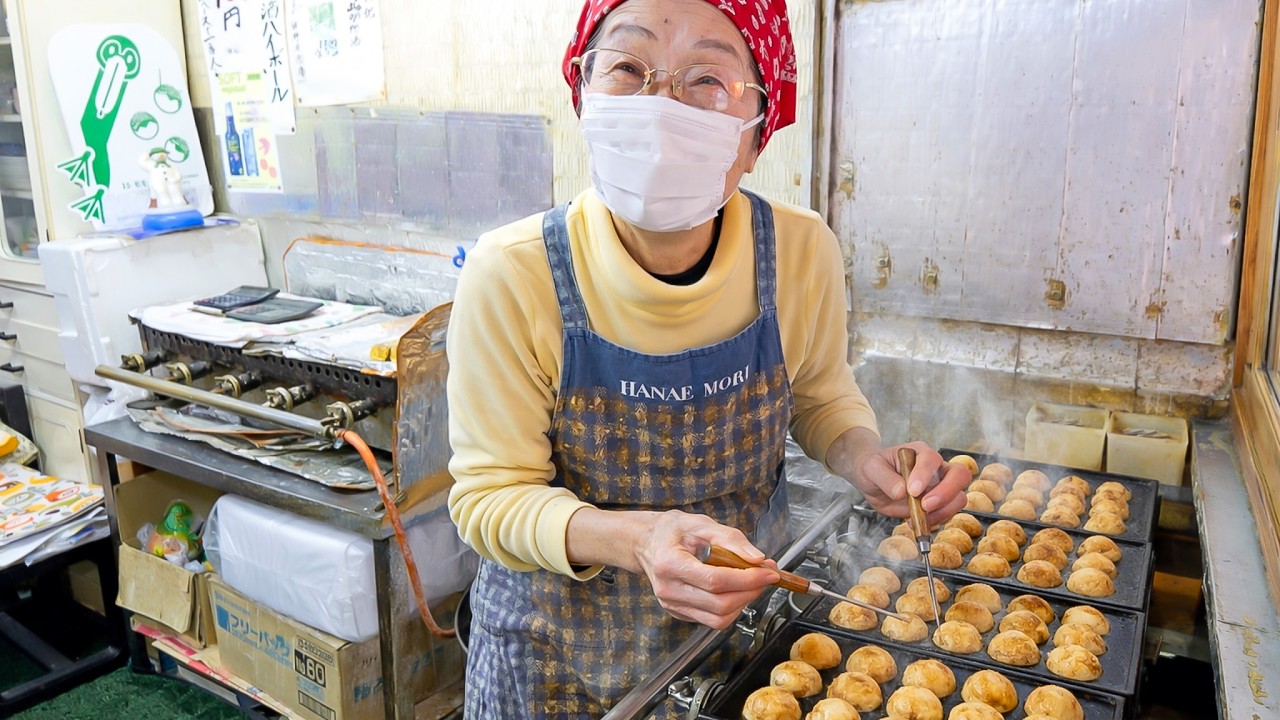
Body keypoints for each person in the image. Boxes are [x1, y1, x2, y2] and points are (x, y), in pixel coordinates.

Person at [445, 0, 970, 716]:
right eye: (628, 66)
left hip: (739, 647)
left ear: (755, 135)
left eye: (707, 79)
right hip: (553, 661)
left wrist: (864, 458)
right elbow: (489, 497)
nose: (661, 102)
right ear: (583, 95)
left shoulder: (799, 250)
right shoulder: (512, 274)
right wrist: (638, 537)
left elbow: (819, 395)